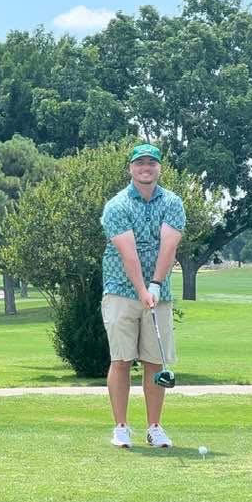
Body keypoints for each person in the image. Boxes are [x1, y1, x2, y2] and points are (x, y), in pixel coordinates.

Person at [100, 142, 186, 449]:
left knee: (154, 362)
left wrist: (156, 285)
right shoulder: (117, 205)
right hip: (120, 292)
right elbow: (129, 254)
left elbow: (169, 245)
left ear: (160, 167)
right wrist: (141, 288)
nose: (145, 168)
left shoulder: (173, 202)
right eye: (140, 163)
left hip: (158, 294)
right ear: (131, 168)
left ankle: (155, 427)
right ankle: (121, 427)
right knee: (121, 359)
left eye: (151, 163)